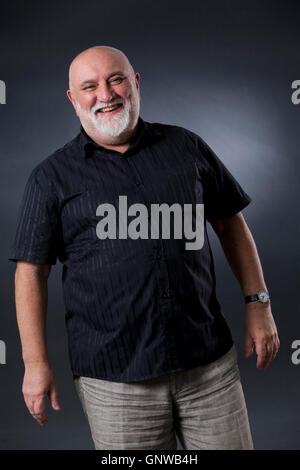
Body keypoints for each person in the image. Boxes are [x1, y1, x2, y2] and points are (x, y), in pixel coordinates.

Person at [9, 45, 280, 450]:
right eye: (90, 86)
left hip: (208, 368)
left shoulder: (186, 147)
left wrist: (259, 304)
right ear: (73, 98)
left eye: (115, 79)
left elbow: (230, 224)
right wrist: (35, 364)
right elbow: (31, 271)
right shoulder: (51, 178)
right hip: (115, 381)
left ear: (134, 82)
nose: (105, 94)